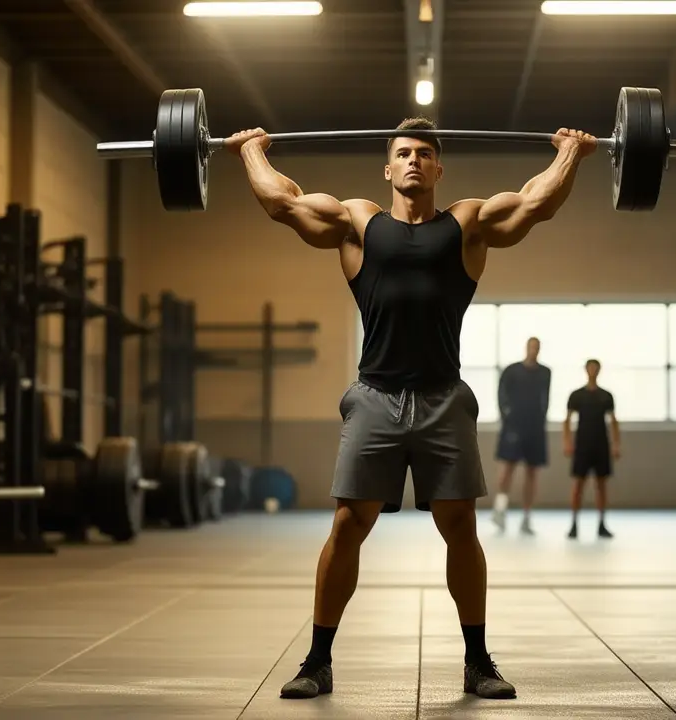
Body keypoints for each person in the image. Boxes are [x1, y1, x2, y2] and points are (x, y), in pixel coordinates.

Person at [224, 119, 597, 701]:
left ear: (439, 167)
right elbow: (283, 204)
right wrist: (251, 150)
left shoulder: (467, 223)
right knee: (349, 526)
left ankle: (478, 663)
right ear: (389, 168)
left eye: (425, 153)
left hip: (443, 400)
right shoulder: (359, 223)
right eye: (404, 153)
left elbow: (533, 204)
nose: (415, 161)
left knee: (461, 529)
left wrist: (570, 152)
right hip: (374, 397)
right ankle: (317, 661)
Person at [492, 337, 551, 535]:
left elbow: (546, 399)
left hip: (535, 428)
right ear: (526, 348)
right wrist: (507, 418)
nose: (534, 350)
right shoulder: (511, 371)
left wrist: (541, 420)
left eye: (537, 347)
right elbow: (501, 396)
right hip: (514, 426)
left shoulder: (545, 372)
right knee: (507, 468)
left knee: (532, 472)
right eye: (531, 347)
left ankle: (526, 517)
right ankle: (500, 510)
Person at [563, 359, 619, 540]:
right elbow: (567, 420)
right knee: (578, 485)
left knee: (601, 485)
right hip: (582, 445)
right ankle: (574, 523)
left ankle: (602, 523)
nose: (593, 371)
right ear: (586, 370)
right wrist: (567, 442)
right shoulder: (577, 395)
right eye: (590, 368)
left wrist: (616, 444)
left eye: (596, 368)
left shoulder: (606, 396)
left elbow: (613, 421)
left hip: (601, 444)